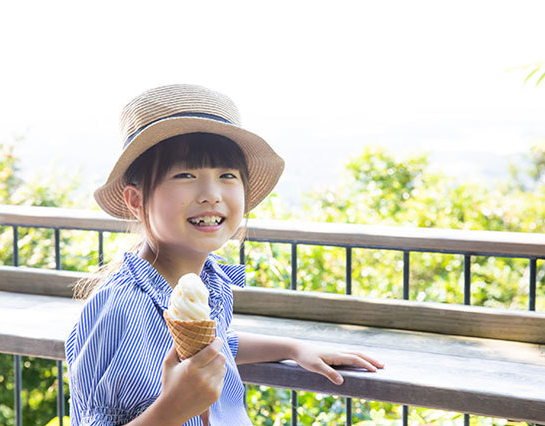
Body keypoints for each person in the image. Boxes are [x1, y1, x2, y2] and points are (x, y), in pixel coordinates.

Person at [65, 84, 384, 426]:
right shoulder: (120, 306)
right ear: (135, 199)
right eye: (185, 175)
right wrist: (173, 408)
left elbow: (218, 345)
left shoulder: (204, 283)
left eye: (227, 176)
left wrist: (292, 349)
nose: (211, 194)